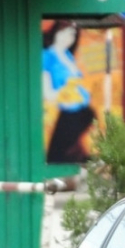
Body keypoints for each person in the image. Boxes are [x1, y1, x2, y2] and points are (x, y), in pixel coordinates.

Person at [42, 20, 96, 163]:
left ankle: (76, 156)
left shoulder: (68, 56)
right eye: (64, 32)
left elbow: (76, 82)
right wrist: (62, 93)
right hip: (61, 108)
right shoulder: (47, 55)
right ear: (55, 33)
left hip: (78, 108)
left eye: (72, 34)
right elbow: (46, 89)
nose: (68, 38)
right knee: (58, 150)